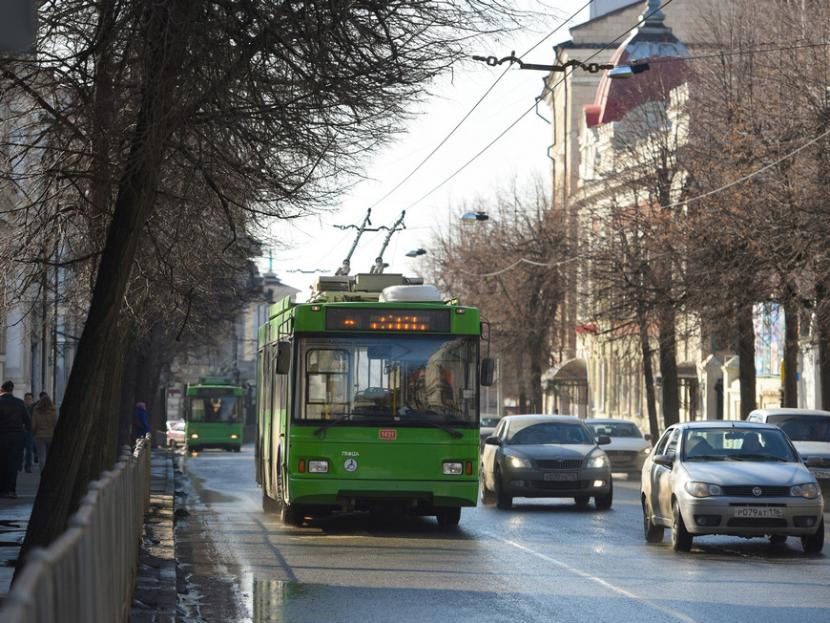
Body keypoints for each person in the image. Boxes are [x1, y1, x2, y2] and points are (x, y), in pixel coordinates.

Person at [0, 381, 30, 498]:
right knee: (13, 463)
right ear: (12, 390)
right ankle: (11, 490)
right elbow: (28, 421)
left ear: (2, 389)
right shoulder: (19, 403)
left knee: (2, 462)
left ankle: (2, 490)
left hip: (2, 436)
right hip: (17, 437)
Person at [31, 393, 58, 470]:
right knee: (50, 456)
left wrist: (34, 432)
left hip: (39, 436)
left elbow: (33, 425)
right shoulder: (53, 411)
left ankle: (42, 472)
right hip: (51, 435)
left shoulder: (36, 410)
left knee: (42, 456)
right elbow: (55, 423)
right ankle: (50, 471)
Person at [21, 392, 35, 473]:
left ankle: (28, 466)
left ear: (32, 400)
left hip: (29, 431)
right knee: (20, 449)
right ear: (24, 400)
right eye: (26, 399)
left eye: (29, 399)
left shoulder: (34, 409)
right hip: (21, 431)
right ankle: (19, 465)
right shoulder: (21, 407)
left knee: (29, 449)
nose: (28, 401)